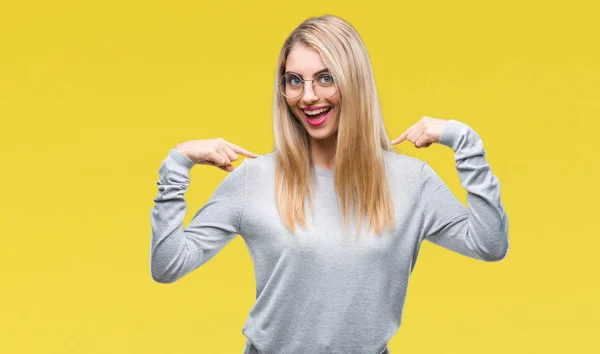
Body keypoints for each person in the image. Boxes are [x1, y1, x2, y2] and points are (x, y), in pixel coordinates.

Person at [149, 14, 509, 354]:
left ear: (354, 81)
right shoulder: (253, 179)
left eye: (325, 78)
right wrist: (177, 165)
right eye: (295, 81)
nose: (307, 96)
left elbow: (489, 244)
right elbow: (168, 266)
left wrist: (466, 143)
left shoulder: (412, 182)